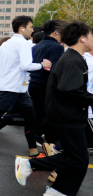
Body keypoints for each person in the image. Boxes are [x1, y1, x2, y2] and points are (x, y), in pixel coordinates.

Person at [15, 22, 93, 196]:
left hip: (67, 115)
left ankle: (59, 191)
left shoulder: (74, 57)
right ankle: (29, 164)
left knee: (78, 159)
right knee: (77, 158)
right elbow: (69, 89)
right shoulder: (73, 60)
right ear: (82, 38)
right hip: (67, 116)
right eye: (91, 36)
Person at [0, 16, 51, 156]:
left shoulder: (8, 43)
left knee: (31, 118)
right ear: (22, 28)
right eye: (30, 27)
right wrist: (42, 65)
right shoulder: (23, 43)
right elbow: (26, 65)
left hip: (19, 88)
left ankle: (33, 152)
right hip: (11, 88)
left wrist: (10, 64)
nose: (32, 30)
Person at [28, 20, 67, 149]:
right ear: (55, 33)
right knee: (46, 114)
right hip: (46, 85)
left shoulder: (36, 46)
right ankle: (38, 137)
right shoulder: (57, 47)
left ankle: (37, 136)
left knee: (38, 112)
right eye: (62, 33)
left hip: (33, 83)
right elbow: (56, 70)